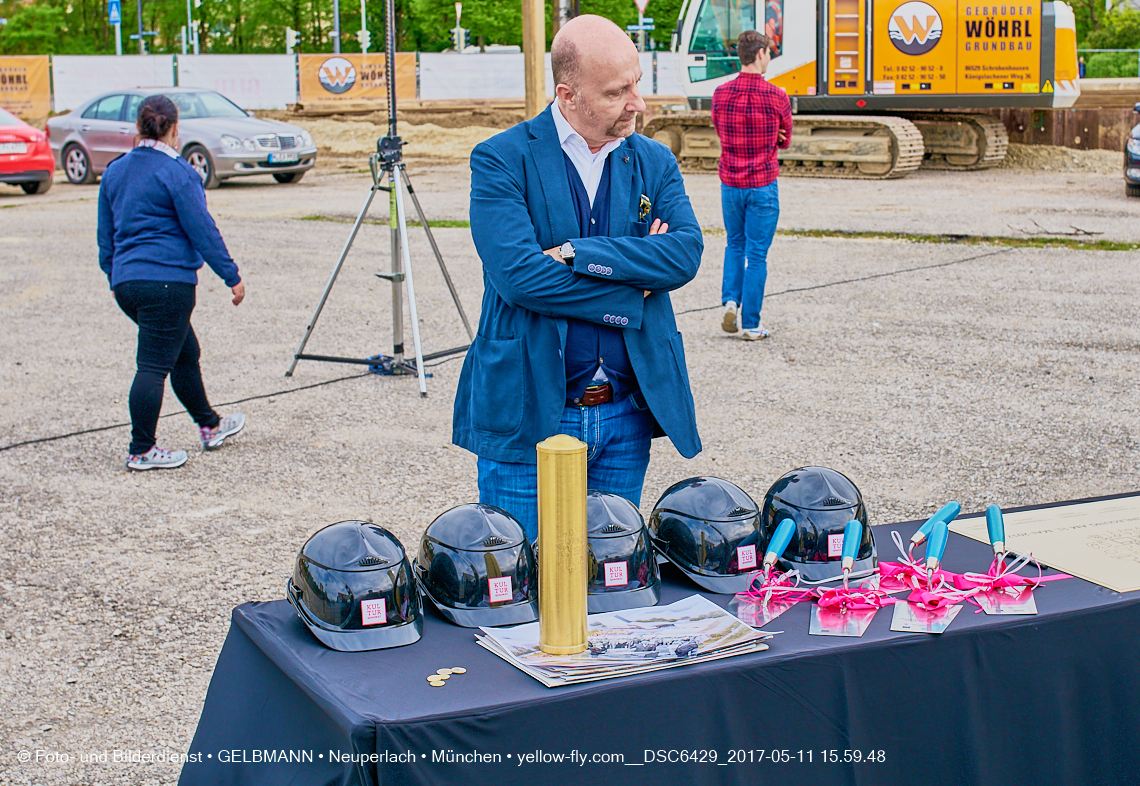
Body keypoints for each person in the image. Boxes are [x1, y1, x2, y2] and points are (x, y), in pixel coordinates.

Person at [454, 14, 704, 540]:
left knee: (608, 580)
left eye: (636, 83)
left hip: (626, 414)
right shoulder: (501, 160)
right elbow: (520, 278)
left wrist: (576, 253)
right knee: (522, 579)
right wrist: (634, 285)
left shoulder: (654, 161)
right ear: (568, 96)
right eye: (617, 92)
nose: (637, 102)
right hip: (530, 411)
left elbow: (683, 255)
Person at [97, 94, 246, 471]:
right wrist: (231, 275)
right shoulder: (178, 172)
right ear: (175, 129)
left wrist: (114, 274)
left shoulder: (115, 170)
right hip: (168, 284)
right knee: (152, 366)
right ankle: (141, 449)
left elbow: (105, 234)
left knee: (183, 352)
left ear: (138, 127)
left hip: (128, 283)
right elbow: (202, 230)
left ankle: (210, 425)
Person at [711, 30, 792, 340]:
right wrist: (775, 138)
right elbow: (786, 140)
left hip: (730, 183)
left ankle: (731, 301)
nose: (769, 58)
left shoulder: (720, 94)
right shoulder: (777, 96)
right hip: (763, 183)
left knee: (734, 243)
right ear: (759, 54)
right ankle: (752, 324)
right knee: (756, 254)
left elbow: (720, 129)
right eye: (769, 53)